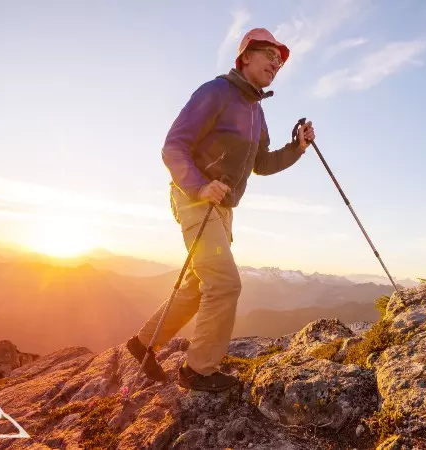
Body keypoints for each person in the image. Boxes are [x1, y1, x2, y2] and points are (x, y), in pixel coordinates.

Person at [126, 28, 315, 392]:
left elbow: (262, 164)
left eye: (280, 61)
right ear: (245, 57)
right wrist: (198, 186)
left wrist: (298, 147)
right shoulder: (216, 92)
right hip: (195, 199)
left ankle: (143, 343)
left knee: (201, 284)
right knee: (225, 283)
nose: (276, 64)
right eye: (269, 56)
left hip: (223, 208)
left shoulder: (257, 113)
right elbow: (173, 146)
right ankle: (198, 370)